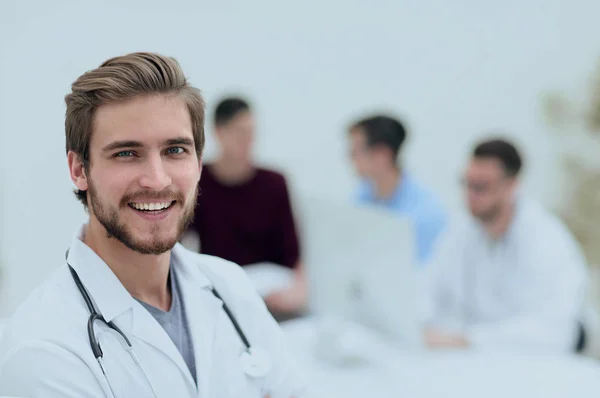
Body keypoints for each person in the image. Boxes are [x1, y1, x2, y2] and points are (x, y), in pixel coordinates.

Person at [0, 52, 305, 397]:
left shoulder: (231, 286)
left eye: (175, 150)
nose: (157, 180)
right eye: (126, 153)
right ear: (79, 170)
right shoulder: (41, 356)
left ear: (199, 162)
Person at [422, 138, 588, 353]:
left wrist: (468, 340)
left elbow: (554, 331)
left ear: (511, 185)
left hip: (534, 365)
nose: (470, 195)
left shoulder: (547, 240)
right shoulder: (459, 231)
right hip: (474, 361)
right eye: (466, 183)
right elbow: (429, 295)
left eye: (481, 187)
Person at [185, 97, 307, 320]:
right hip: (222, 292)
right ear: (219, 133)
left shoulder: (274, 182)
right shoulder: (198, 183)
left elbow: (293, 249)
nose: (248, 141)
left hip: (271, 291)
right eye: (240, 133)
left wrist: (299, 290)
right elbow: (180, 242)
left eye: (252, 133)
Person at [348, 114, 446, 265]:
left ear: (382, 154)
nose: (350, 158)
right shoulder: (361, 197)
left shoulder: (426, 214)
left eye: (356, 151)